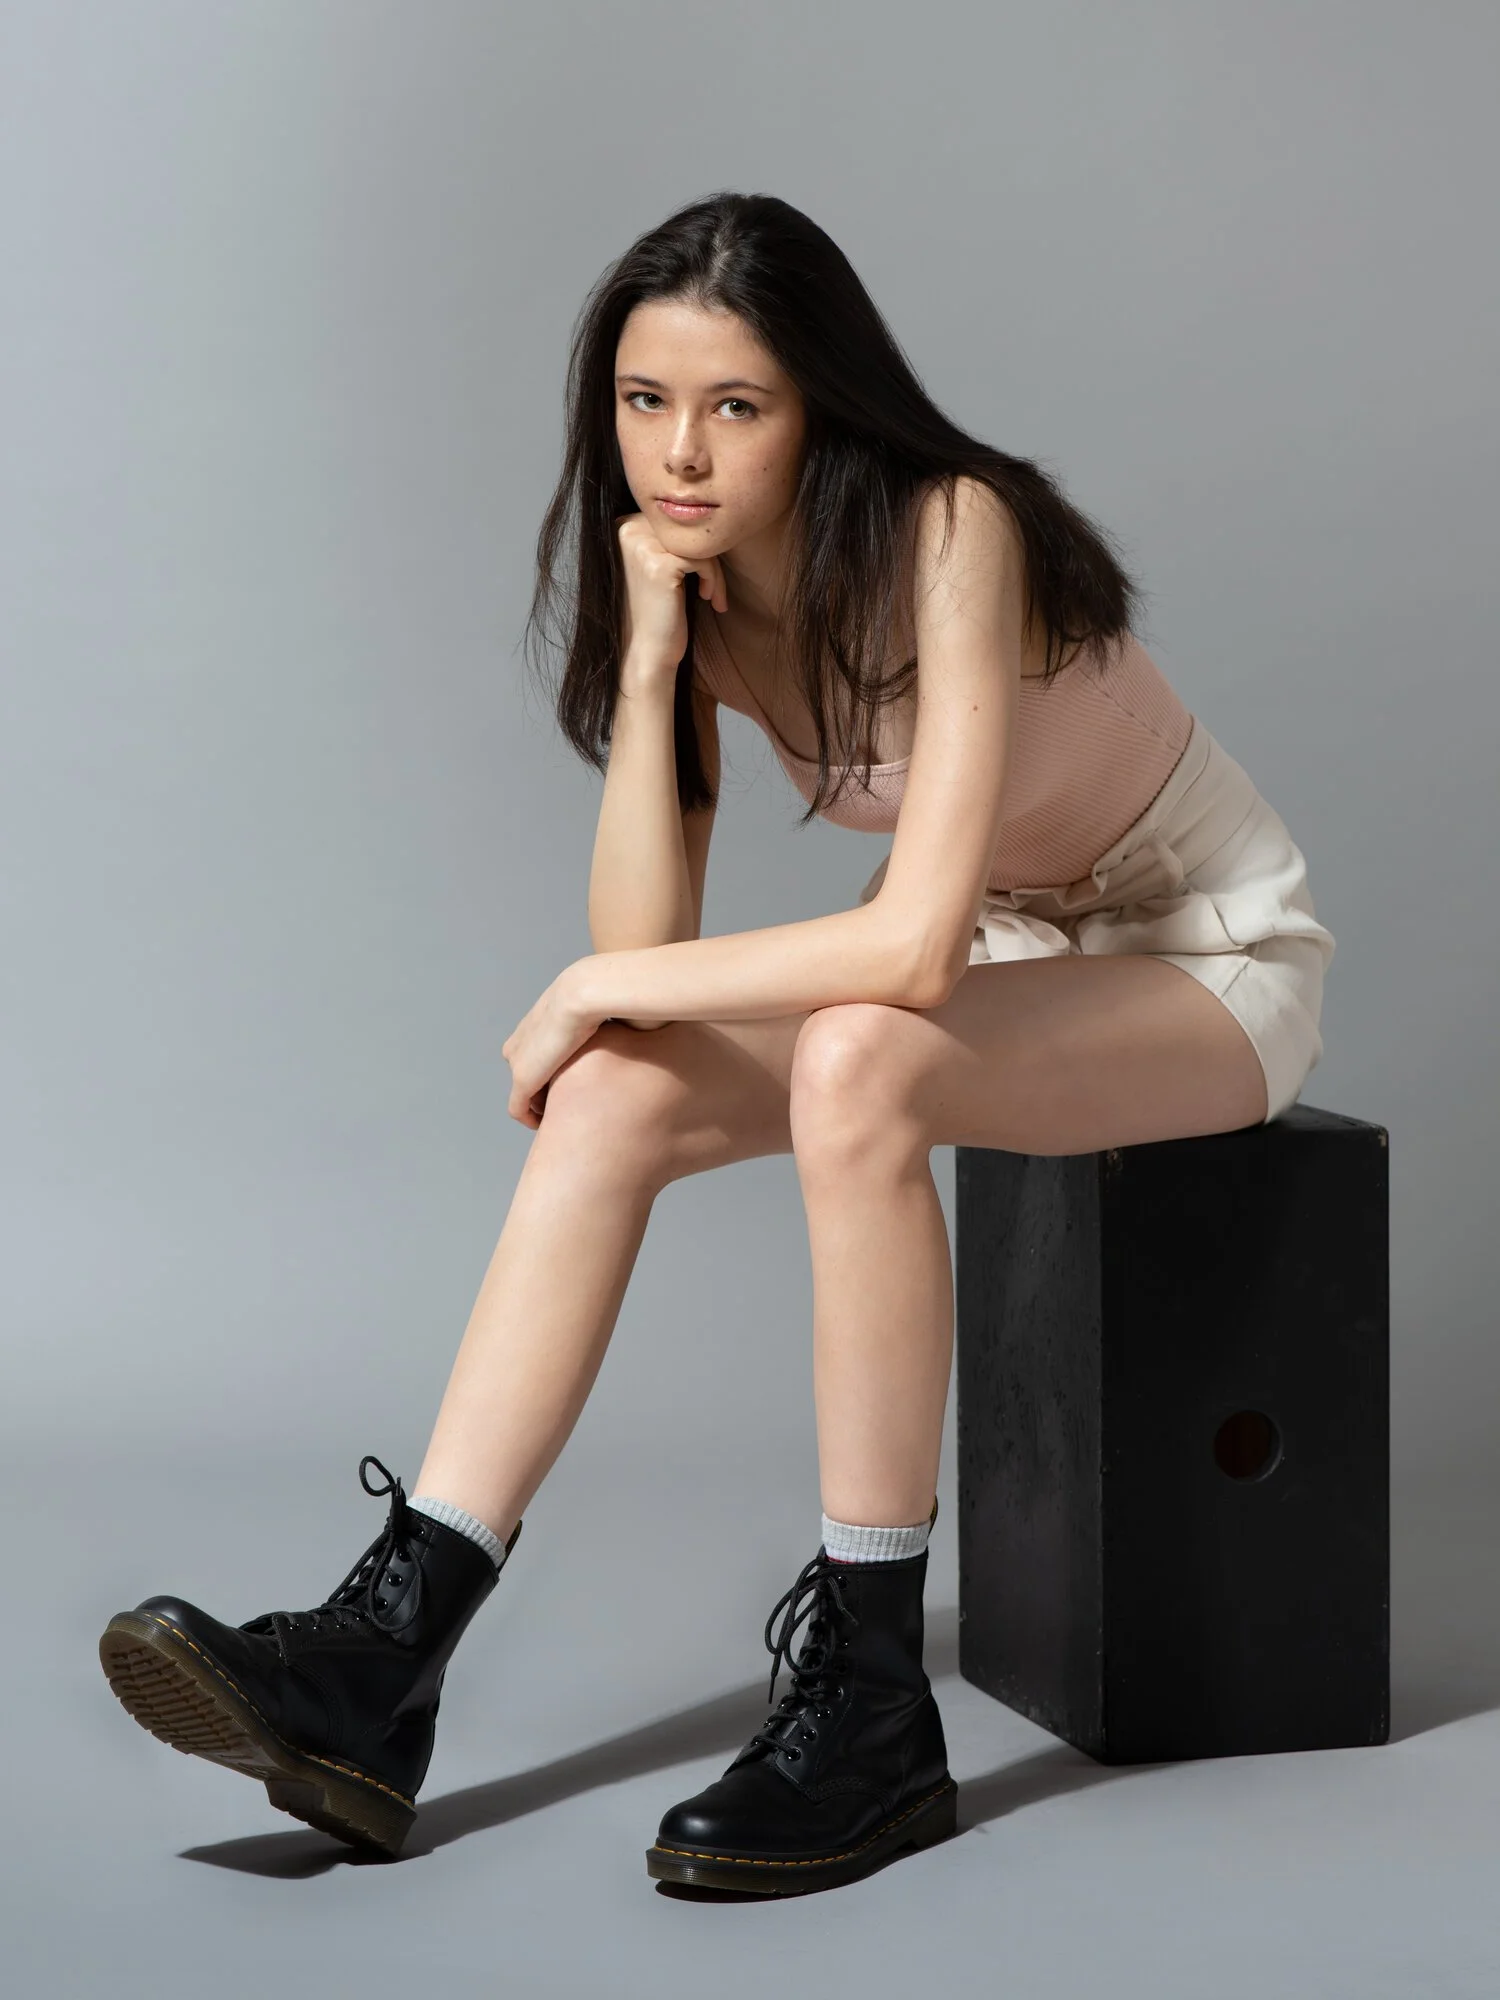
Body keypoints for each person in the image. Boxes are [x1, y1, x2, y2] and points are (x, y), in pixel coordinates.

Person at [98, 190, 1336, 1895]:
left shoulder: (950, 526)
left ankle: (873, 1695)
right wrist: (662, 654)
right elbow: (645, 956)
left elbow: (900, 948)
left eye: (735, 406)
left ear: (824, 405)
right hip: (1011, 956)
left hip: (1208, 956)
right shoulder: (692, 586)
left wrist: (591, 988)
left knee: (853, 1053)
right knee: (610, 1093)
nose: (679, 453)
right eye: (644, 402)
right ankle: (387, 1654)